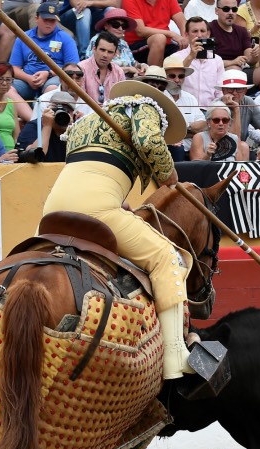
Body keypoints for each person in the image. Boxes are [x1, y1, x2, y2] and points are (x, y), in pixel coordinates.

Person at [42, 79, 195, 380]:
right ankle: (175, 357)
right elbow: (149, 143)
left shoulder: (89, 120)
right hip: (96, 208)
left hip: (53, 207)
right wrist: (169, 174)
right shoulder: (145, 107)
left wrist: (121, 202)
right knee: (166, 257)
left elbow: (94, 168)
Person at [10, 3, 79, 101]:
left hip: (54, 78)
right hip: (28, 78)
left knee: (52, 89)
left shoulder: (66, 38)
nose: (49, 23)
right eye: (45, 19)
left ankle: (41, 110)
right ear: (36, 18)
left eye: (52, 20)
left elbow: (73, 68)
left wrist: (48, 73)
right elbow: (14, 68)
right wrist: (28, 78)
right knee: (8, 89)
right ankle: (29, 111)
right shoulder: (24, 37)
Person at [216, 69, 260, 158]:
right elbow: (233, 140)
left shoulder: (248, 101)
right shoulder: (216, 106)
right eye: (230, 89)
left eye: (239, 89)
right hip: (218, 149)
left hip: (241, 149)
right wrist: (236, 109)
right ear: (223, 90)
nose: (234, 93)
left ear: (245, 91)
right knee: (243, 146)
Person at [175, 16, 225, 107]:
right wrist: (190, 57)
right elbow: (175, 81)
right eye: (195, 31)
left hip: (210, 110)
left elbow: (220, 91)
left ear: (208, 34)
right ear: (186, 35)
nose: (199, 35)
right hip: (185, 109)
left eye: (202, 31)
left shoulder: (217, 60)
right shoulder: (176, 57)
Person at [160, 57, 205, 158]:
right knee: (178, 149)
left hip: (191, 147)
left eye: (181, 76)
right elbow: (164, 131)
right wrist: (189, 131)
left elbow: (202, 125)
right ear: (164, 77)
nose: (177, 80)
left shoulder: (190, 98)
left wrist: (183, 128)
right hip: (169, 147)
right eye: (172, 76)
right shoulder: (159, 96)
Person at [123, 0, 188, 66]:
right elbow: (141, 31)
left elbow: (183, 24)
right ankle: (154, 72)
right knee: (159, 39)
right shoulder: (130, 1)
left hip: (166, 43)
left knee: (186, 50)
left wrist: (185, 39)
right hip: (137, 46)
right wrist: (171, 34)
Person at [87, 9, 147, 79]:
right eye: (116, 25)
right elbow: (94, 67)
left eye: (124, 26)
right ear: (106, 26)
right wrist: (127, 69)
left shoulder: (123, 43)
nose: (120, 29)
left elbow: (133, 63)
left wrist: (142, 66)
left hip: (129, 80)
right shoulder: (97, 40)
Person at [17, 91, 75, 162]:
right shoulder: (34, 126)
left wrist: (71, 129)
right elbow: (34, 157)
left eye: (67, 110)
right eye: (56, 109)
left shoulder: (76, 129)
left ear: (73, 114)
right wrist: (47, 126)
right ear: (48, 109)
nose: (62, 114)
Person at [0, 62, 27, 151]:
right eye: (0, 79)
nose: (4, 83)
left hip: (12, 153)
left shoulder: (11, 103)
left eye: (8, 79)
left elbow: (16, 135)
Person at [209, 0, 258, 71]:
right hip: (216, 71)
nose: (231, 13)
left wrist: (255, 54)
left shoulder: (242, 31)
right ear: (216, 11)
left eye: (234, 9)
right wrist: (233, 62)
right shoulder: (208, 29)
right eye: (226, 9)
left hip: (242, 70)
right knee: (234, 70)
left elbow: (249, 60)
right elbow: (207, 62)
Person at [79, 31, 125, 104]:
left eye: (110, 52)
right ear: (94, 49)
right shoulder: (81, 68)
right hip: (86, 110)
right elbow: (80, 101)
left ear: (115, 54)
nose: (105, 55)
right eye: (102, 50)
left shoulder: (119, 72)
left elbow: (122, 100)